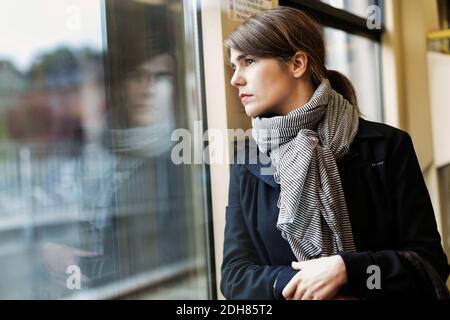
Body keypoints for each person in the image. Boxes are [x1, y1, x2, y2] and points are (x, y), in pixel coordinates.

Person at [220, 6, 450, 300]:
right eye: (234, 66)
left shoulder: (386, 146)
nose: (235, 79)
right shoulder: (248, 159)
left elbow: (429, 264)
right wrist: (302, 282)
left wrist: (347, 272)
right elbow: (234, 275)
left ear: (297, 64)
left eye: (248, 61)